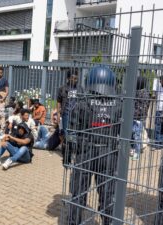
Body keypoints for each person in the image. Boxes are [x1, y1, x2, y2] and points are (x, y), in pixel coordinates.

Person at [66, 66, 121, 225]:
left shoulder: (83, 101)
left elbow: (72, 130)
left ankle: (73, 222)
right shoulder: (119, 103)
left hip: (85, 151)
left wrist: (68, 155)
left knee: (78, 194)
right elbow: (125, 133)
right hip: (109, 153)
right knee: (108, 195)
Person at [130, 76, 150, 160]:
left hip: (137, 117)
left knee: (136, 135)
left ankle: (136, 153)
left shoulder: (139, 93)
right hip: (141, 117)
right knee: (136, 134)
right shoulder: (145, 93)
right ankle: (135, 149)